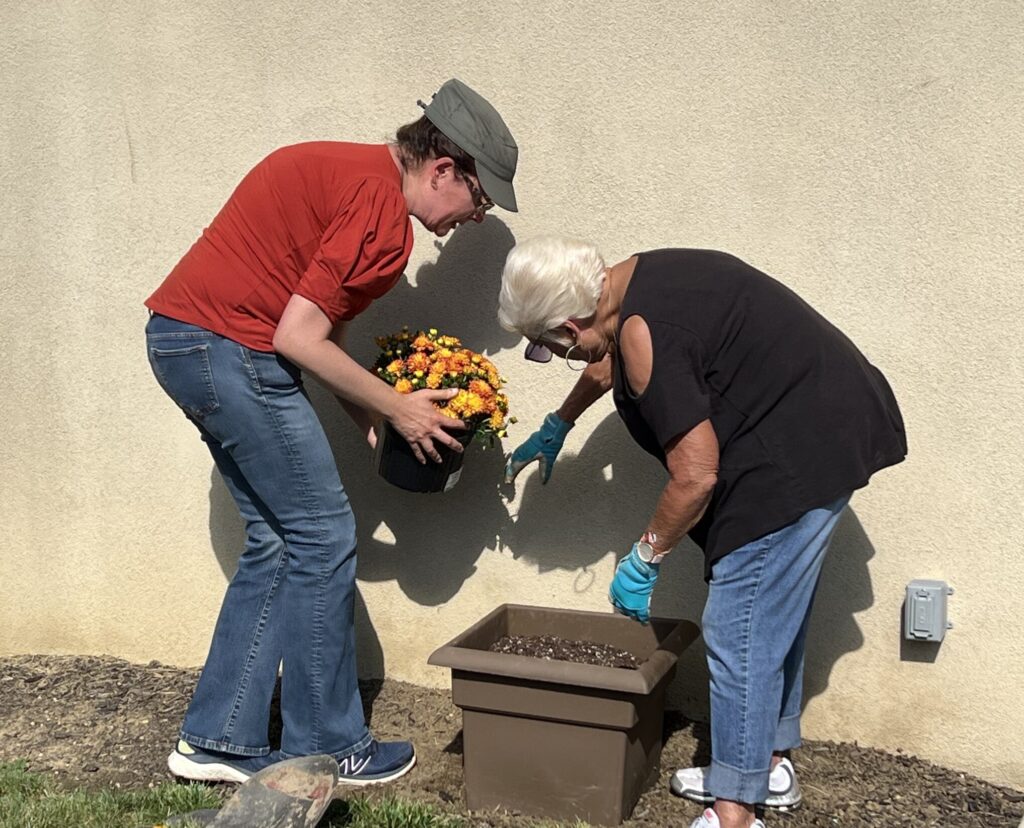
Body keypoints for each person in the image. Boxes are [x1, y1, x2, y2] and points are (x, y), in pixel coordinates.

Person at [144, 79, 518, 787]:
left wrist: (372, 415)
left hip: (182, 341)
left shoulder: (350, 174)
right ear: (444, 169)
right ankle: (328, 746)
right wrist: (405, 410)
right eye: (482, 199)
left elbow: (322, 337)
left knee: (281, 538)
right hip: (229, 348)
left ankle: (218, 738)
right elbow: (295, 336)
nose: (474, 217)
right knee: (321, 533)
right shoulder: (381, 211)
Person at [500, 237, 906, 828]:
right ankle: (765, 768)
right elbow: (603, 353)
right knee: (770, 617)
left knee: (738, 625)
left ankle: (735, 811)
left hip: (795, 456)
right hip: (831, 424)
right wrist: (559, 421)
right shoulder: (630, 281)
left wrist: (645, 557)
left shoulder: (647, 330)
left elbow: (694, 477)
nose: (560, 354)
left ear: (571, 319)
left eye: (550, 346)